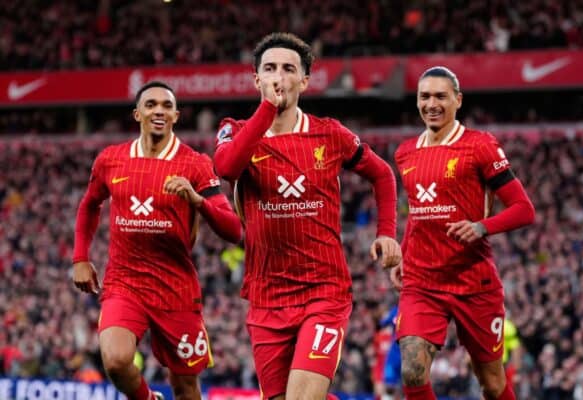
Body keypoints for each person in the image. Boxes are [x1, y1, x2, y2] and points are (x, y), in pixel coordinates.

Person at [213, 32, 401, 400]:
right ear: (256, 79)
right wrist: (267, 108)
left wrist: (387, 231)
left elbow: (382, 174)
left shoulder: (329, 134)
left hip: (323, 292)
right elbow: (227, 168)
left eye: (288, 69)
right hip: (267, 298)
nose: (278, 77)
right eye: (269, 69)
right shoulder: (234, 130)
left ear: (305, 80)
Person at [72, 81, 242, 400]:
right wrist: (80, 257)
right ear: (137, 114)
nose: (159, 111)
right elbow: (88, 205)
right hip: (125, 283)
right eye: (151, 105)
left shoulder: (195, 164)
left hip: (176, 290)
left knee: (185, 387)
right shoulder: (111, 159)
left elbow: (233, 230)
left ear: (176, 115)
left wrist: (197, 201)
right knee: (116, 361)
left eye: (166, 106)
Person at [391, 66, 536, 400]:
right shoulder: (405, 152)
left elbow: (523, 209)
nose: (432, 104)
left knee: (493, 383)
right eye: (424, 96)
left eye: (441, 96)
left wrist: (481, 227)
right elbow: (418, 212)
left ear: (458, 100)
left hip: (473, 282)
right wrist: (403, 251)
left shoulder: (479, 146)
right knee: (412, 372)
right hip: (422, 282)